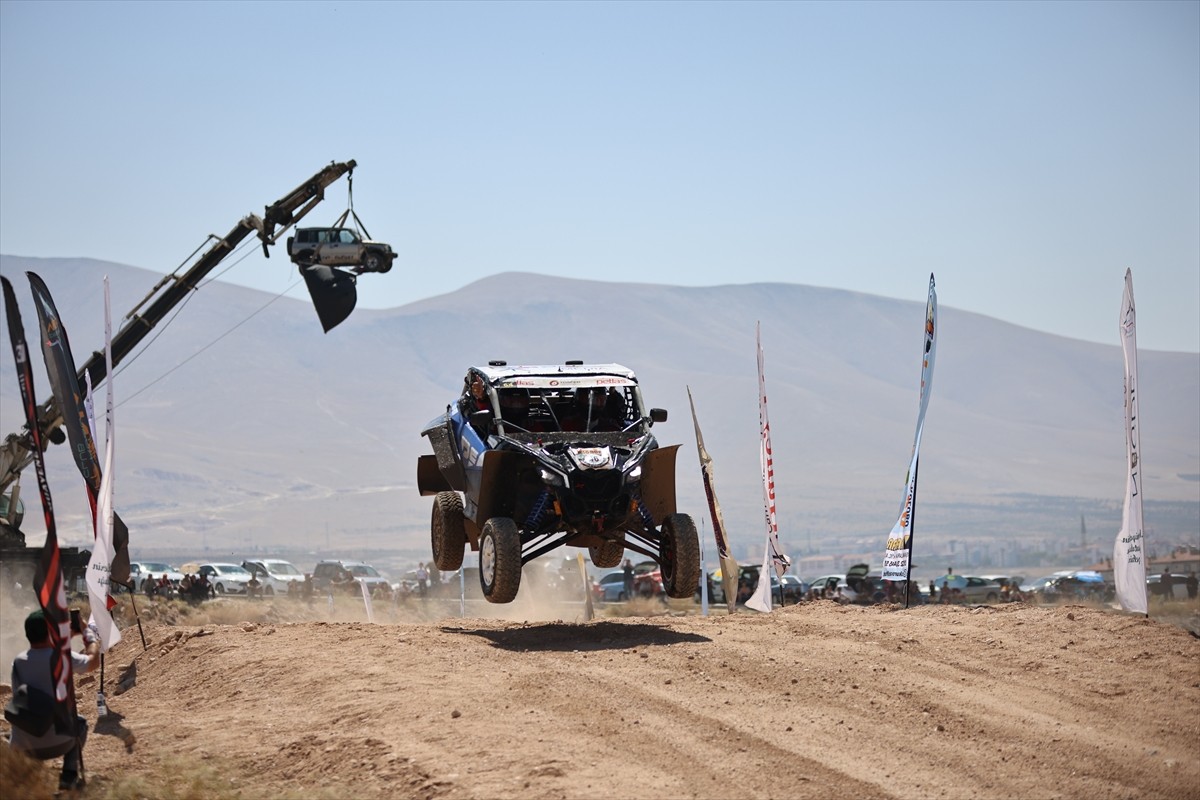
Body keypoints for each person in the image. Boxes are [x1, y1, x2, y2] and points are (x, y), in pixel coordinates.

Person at [8, 610, 100, 791]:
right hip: (58, 744)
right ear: (52, 632)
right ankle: (69, 776)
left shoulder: (18, 662)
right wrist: (89, 635)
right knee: (80, 723)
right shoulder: (63, 658)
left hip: (22, 746)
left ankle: (28, 776)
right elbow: (93, 661)